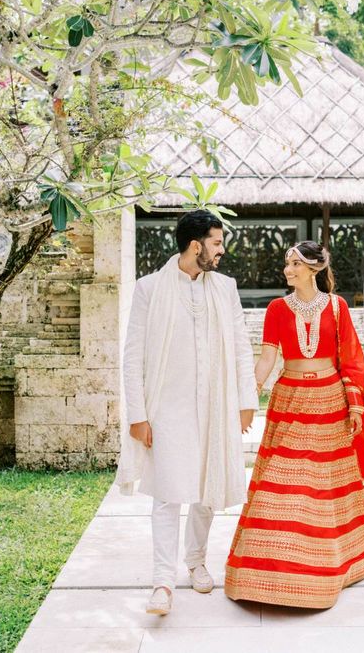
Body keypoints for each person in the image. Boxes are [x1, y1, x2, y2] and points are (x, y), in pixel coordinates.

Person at [224, 240, 364, 609]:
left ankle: (332, 565)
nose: (288, 270)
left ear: (315, 268)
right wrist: (247, 395)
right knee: (282, 484)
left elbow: (350, 359)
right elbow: (268, 358)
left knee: (324, 486)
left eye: (296, 264)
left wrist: (354, 406)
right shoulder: (276, 309)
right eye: (287, 263)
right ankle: (269, 574)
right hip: (289, 401)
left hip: (331, 402)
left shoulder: (337, 307)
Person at [117, 210, 258, 616]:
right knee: (166, 495)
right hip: (166, 408)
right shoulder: (149, 289)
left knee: (207, 491)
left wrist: (246, 401)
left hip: (216, 404)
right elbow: (133, 356)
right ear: (196, 245)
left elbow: (239, 345)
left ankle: (195, 561)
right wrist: (138, 415)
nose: (221, 250)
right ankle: (162, 581)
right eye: (216, 243)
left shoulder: (225, 287)